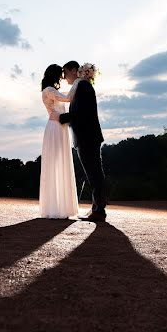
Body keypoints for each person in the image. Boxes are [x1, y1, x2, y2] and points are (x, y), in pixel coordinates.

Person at [58, 60, 107, 222]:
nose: (64, 77)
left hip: (88, 137)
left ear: (73, 70)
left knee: (94, 173)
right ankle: (97, 208)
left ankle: (99, 211)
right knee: (93, 173)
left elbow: (82, 113)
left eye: (65, 72)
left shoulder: (83, 86)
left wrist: (60, 118)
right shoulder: (80, 86)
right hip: (86, 137)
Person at [38, 64, 79, 219]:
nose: (62, 77)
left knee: (61, 163)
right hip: (55, 128)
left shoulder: (51, 90)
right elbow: (68, 98)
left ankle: (61, 207)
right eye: (61, 74)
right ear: (54, 75)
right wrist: (78, 81)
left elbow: (65, 97)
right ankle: (54, 207)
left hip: (59, 127)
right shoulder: (49, 90)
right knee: (55, 164)